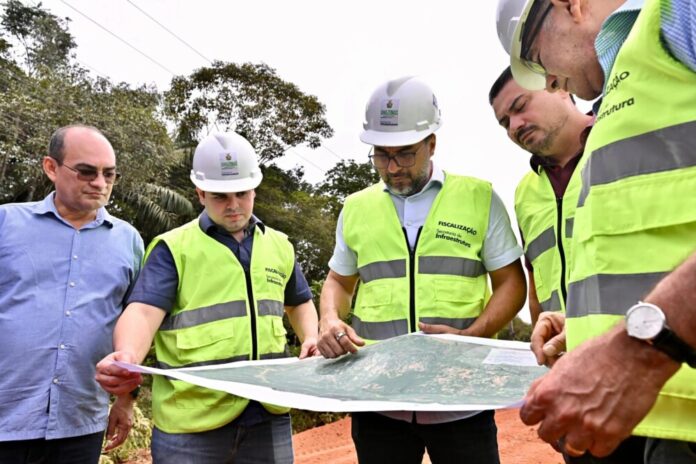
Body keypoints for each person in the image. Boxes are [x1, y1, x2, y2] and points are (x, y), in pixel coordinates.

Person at [497, 0, 696, 460]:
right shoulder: (618, 100)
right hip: (652, 420)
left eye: (536, 58)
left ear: (570, 5)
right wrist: (592, 325)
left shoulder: (680, 13)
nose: (548, 79)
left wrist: (641, 347)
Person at [317, 76, 526, 464]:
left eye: (405, 154)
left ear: (431, 143)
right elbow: (338, 282)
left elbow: (512, 283)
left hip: (461, 397)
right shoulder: (356, 208)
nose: (393, 167)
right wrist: (329, 319)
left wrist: (472, 336)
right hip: (378, 399)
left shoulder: (478, 198)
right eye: (382, 155)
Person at [95, 132, 319, 464]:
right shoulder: (174, 248)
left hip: (268, 409)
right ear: (200, 193)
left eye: (242, 193)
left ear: (254, 189)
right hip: (192, 421)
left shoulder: (279, 245)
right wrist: (128, 355)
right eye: (220, 196)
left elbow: (298, 302)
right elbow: (142, 312)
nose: (233, 205)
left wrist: (311, 336)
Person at [0, 125, 144, 463]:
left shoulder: (129, 241)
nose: (100, 183)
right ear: (51, 167)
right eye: (86, 171)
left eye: (109, 174)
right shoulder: (6, 224)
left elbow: (134, 325)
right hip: (6, 419)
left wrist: (126, 400)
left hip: (80, 423)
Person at [489, 66, 592, 325]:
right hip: (563, 347)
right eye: (505, 123)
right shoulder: (525, 192)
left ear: (560, 87)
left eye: (520, 106)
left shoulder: (622, 145)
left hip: (645, 340)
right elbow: (536, 288)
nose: (514, 126)